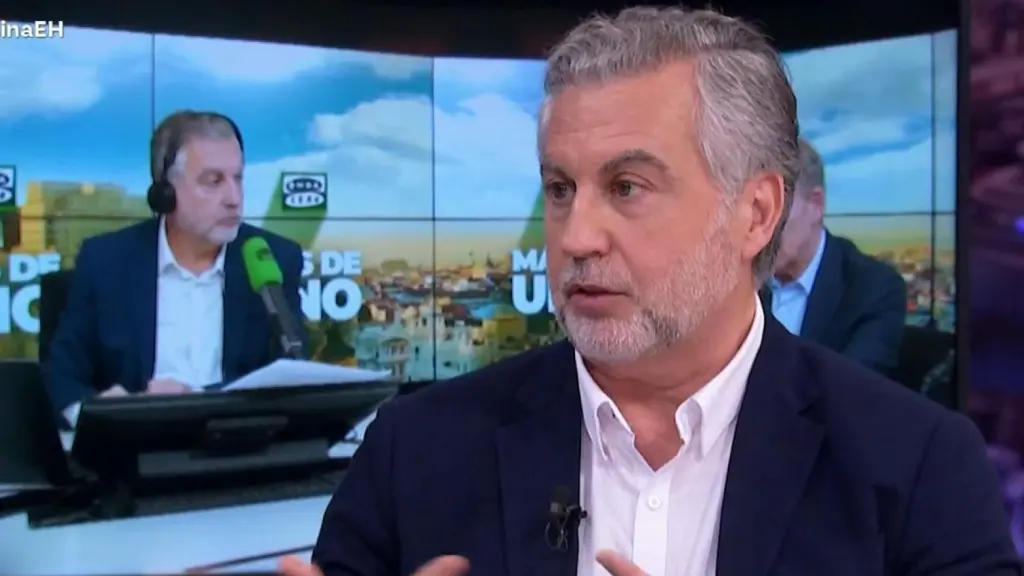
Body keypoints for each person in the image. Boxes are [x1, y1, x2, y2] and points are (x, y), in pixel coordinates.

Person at [283, 6, 1017, 576]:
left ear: (756, 212)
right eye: (560, 189)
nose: (576, 237)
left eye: (627, 187)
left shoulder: (917, 465)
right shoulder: (415, 450)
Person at [44, 110, 306, 427]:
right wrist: (100, 415)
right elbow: (62, 376)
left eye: (238, 178)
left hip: (238, 444)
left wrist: (196, 401)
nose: (234, 198)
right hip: (135, 445)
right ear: (165, 193)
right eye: (213, 181)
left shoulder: (273, 259)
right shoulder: (106, 261)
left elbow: (289, 378)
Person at [764, 138, 907, 376]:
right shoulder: (739, 280)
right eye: (757, 208)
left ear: (816, 204)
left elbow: (850, 389)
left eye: (778, 209)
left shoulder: (874, 289)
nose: (762, 228)